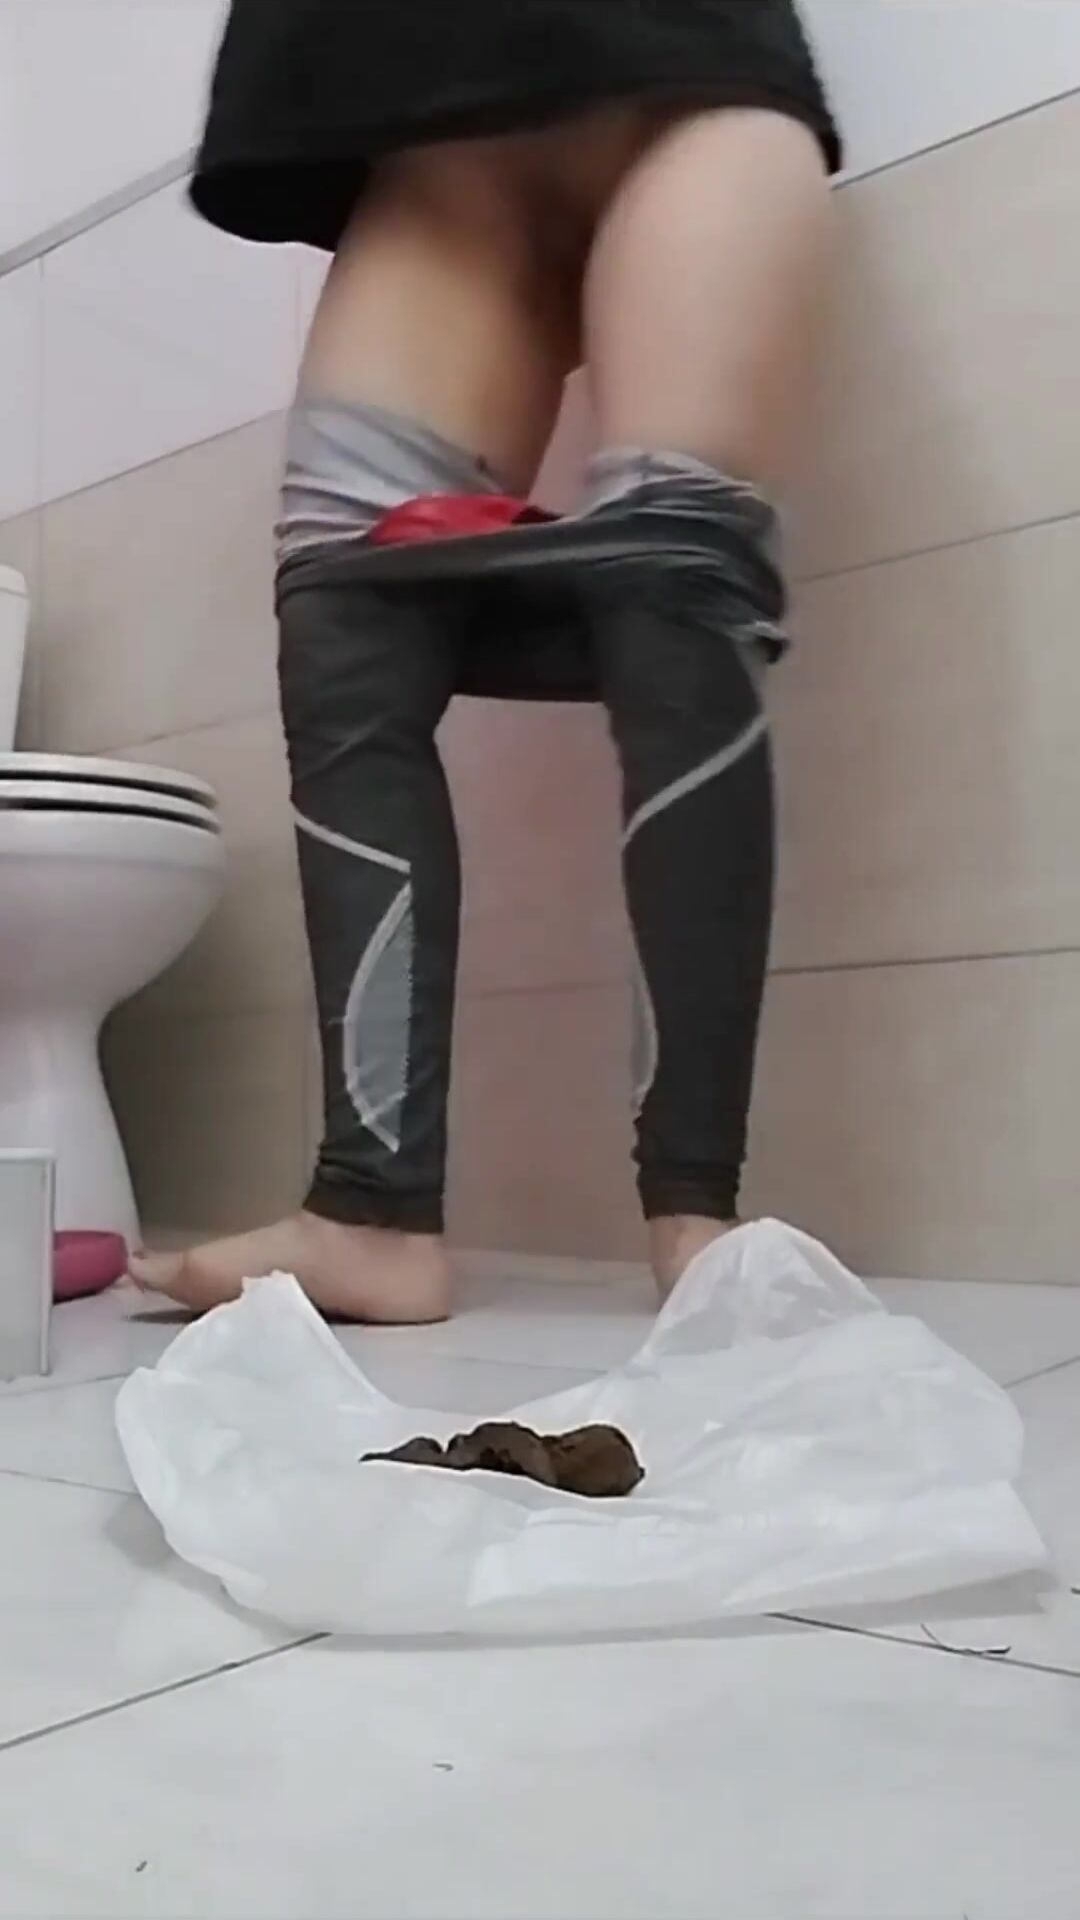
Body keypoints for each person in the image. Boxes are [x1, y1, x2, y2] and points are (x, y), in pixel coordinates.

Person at [130, 0, 839, 1321]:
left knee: (675, 581)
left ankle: (698, 1213)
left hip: (681, 68)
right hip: (424, 131)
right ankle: (370, 1213)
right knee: (344, 609)